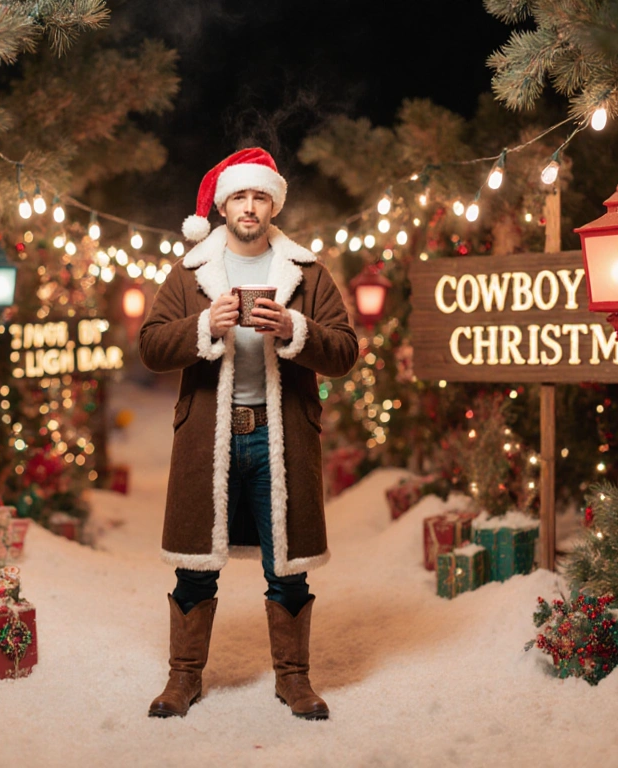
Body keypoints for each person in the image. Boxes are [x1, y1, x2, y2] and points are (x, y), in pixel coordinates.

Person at [139, 148, 359, 720]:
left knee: (287, 566)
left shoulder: (306, 273)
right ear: (224, 205)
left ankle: (294, 680)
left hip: (279, 437)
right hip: (208, 437)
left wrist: (296, 328)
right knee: (195, 565)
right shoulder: (191, 273)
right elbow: (151, 346)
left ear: (273, 203)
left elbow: (345, 351)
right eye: (240, 196)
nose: (250, 207)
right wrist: (200, 326)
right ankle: (182, 679)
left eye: (260, 196)